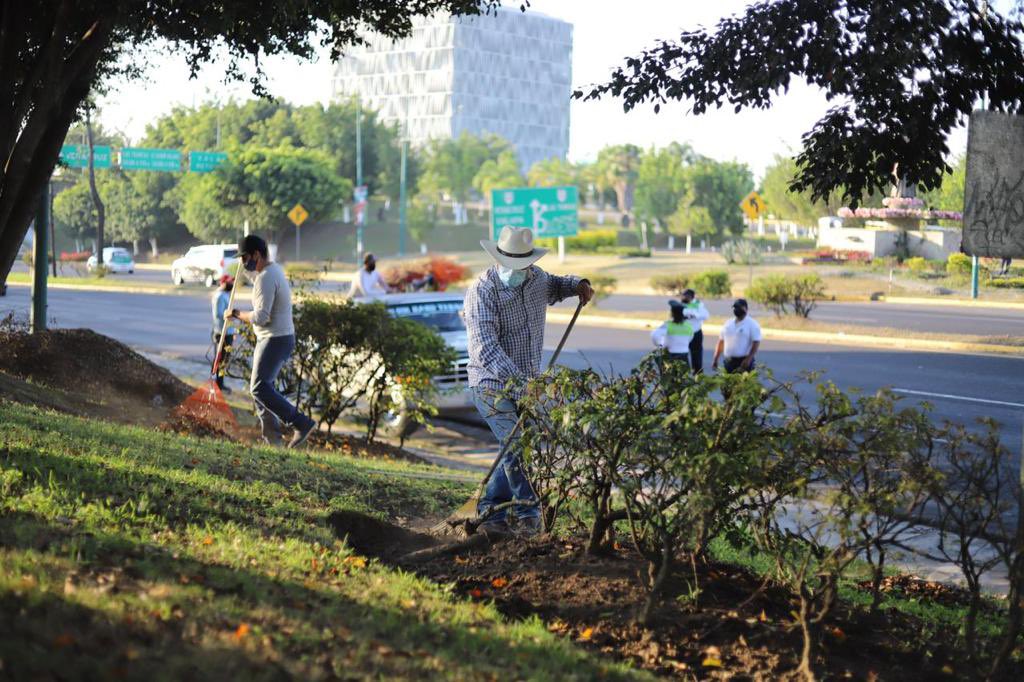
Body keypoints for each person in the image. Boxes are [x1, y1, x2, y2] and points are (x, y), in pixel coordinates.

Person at [464, 226, 594, 537]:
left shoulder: (537, 279)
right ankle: (528, 514)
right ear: (499, 259)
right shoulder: (483, 290)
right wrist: (523, 383)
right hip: (490, 384)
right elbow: (486, 348)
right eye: (512, 265)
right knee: (517, 444)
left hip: (526, 385)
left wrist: (580, 285)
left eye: (523, 265)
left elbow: (559, 285)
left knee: (513, 447)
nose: (518, 271)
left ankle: (489, 513)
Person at [229, 234, 316, 449]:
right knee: (261, 390)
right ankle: (273, 441)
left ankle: (301, 423)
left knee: (259, 388)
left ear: (256, 254)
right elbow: (260, 286)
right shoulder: (271, 271)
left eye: (245, 257)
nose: (242, 262)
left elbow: (261, 317)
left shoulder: (266, 277)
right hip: (275, 338)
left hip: (275, 339)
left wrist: (236, 313)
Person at [712, 298, 762, 374]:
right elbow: (721, 341)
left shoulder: (752, 324)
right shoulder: (728, 323)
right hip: (728, 361)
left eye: (739, 307)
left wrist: (749, 359)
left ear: (746, 309)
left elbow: (756, 342)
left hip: (744, 362)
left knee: (743, 385)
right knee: (727, 385)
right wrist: (715, 358)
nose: (737, 309)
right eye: (735, 307)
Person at [210, 275, 235, 392]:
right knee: (220, 359)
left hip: (228, 332)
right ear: (224, 283)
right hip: (222, 332)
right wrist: (230, 315)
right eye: (229, 282)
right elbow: (218, 314)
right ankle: (217, 383)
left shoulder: (225, 295)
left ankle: (220, 382)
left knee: (224, 359)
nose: (231, 284)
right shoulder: (219, 296)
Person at [651, 300, 693, 368]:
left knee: (669, 376)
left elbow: (654, 335)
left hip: (671, 355)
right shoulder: (688, 326)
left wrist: (661, 345)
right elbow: (690, 338)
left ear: (672, 314)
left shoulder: (668, 325)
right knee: (683, 376)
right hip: (684, 355)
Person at [680, 288, 710, 373]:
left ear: (690, 296)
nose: (682, 297)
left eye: (684, 296)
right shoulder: (682, 304)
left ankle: (698, 375)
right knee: (682, 355)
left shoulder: (698, 304)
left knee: (696, 356)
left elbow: (706, 315)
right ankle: (684, 375)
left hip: (696, 333)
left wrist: (693, 315)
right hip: (683, 334)